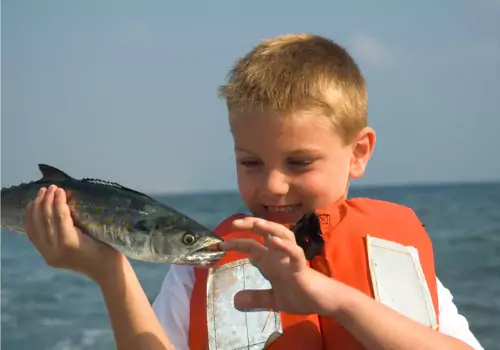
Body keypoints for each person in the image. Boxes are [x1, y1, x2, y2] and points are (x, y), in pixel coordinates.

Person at [24, 33, 484, 350]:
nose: (272, 185)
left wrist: (338, 299)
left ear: (358, 152)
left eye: (299, 162)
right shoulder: (201, 264)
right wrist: (111, 272)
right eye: (250, 163)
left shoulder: (392, 253)